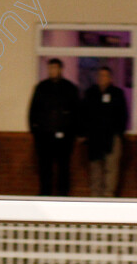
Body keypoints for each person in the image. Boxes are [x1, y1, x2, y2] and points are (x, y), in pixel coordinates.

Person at [28, 58, 80, 196]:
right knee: (45, 168)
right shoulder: (41, 87)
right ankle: (45, 195)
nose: (52, 71)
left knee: (63, 167)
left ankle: (63, 196)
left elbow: (77, 112)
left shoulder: (70, 88)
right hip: (44, 136)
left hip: (65, 136)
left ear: (61, 69)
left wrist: (73, 133)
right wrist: (35, 131)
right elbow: (33, 110)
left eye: (55, 68)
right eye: (50, 68)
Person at [81, 66, 128, 197]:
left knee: (111, 169)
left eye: (105, 76)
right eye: (100, 75)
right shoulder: (91, 93)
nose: (102, 78)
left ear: (110, 78)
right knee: (95, 169)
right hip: (94, 138)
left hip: (112, 137)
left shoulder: (117, 93)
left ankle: (108, 196)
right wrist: (84, 133)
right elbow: (83, 114)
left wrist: (118, 132)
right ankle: (95, 197)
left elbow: (123, 115)